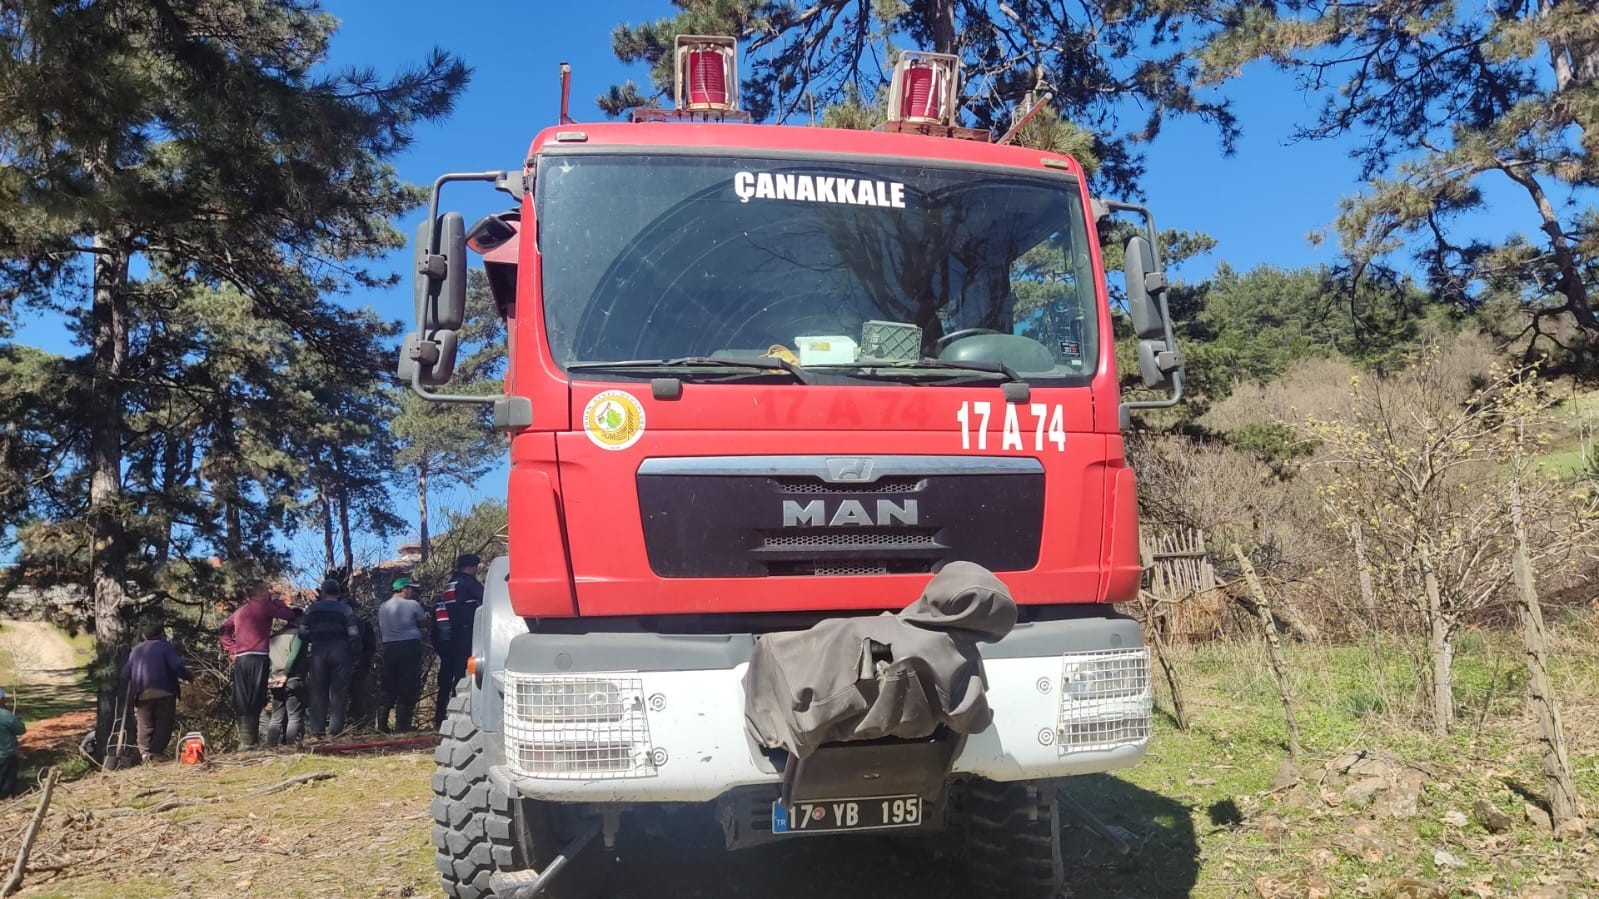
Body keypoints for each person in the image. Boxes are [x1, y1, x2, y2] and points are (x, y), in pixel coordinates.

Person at [219, 580, 294, 749]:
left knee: (243, 697)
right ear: (260, 593)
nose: (269, 593)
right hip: (258, 657)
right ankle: (250, 742)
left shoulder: (239, 611)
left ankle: (246, 742)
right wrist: (278, 603)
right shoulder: (264, 607)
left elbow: (223, 630)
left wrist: (232, 649)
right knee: (256, 697)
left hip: (241, 658)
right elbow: (289, 615)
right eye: (267, 591)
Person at [121, 623, 192, 763]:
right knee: (163, 724)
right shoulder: (164, 647)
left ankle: (145, 754)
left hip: (142, 694)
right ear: (161, 634)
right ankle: (155, 753)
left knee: (145, 725)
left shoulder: (136, 650)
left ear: (144, 635)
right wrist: (189, 676)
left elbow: (125, 673)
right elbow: (177, 666)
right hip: (164, 691)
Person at [303, 578, 361, 739]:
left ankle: (317, 731)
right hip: (341, 652)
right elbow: (354, 635)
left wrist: (313, 638)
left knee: (317, 691)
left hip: (318, 653)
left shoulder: (311, 609)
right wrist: (355, 655)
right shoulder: (346, 610)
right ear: (338, 593)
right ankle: (335, 730)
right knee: (339, 693)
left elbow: (302, 632)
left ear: (322, 593)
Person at [433, 553, 484, 727]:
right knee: (464, 676)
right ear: (471, 567)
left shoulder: (451, 583)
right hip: (466, 633)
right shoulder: (467, 582)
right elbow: (486, 599)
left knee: (448, 677)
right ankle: (460, 715)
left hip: (450, 637)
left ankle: (441, 715)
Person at [377, 577, 430, 732]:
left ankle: (382, 724)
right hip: (409, 646)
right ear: (404, 589)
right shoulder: (412, 605)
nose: (413, 592)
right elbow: (423, 623)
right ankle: (402, 725)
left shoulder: (383, 606)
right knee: (408, 683)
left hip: (388, 647)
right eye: (411, 588)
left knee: (389, 683)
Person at [264, 614, 310, 748]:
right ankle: (291, 748)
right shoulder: (297, 635)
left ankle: (270, 746)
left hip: (274, 680)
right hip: (292, 679)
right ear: (297, 619)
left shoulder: (274, 637)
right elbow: (293, 657)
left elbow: (268, 658)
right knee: (294, 716)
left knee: (276, 717)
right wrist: (286, 673)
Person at [0, 689, 24, 798]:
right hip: (6, 755)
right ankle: (6, 798)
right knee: (8, 781)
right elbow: (21, 729)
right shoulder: (5, 715)